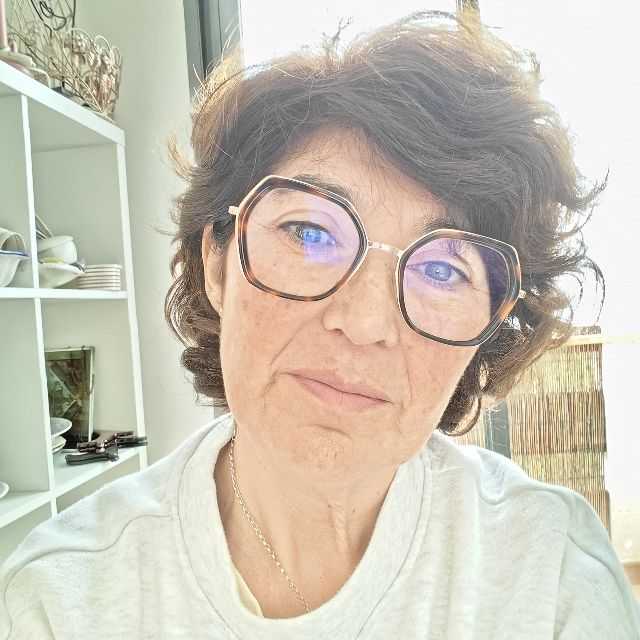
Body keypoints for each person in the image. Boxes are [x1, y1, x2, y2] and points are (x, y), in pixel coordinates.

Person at [1, 9, 639, 639]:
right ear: (216, 261)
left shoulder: (551, 575)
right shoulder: (61, 601)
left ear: (488, 331)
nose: (363, 323)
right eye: (308, 232)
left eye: (445, 270)